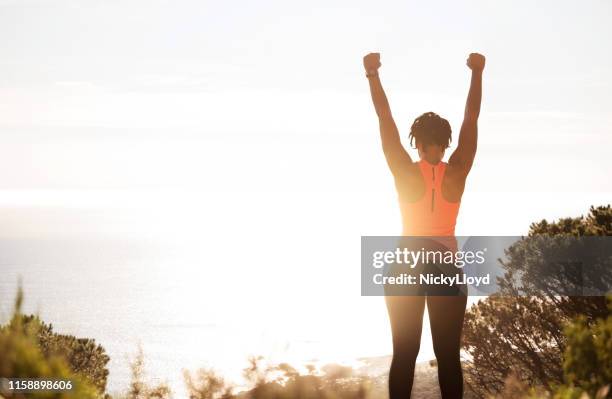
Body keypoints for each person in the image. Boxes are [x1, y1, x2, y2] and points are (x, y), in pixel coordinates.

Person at [363, 51, 485, 399]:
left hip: (406, 264)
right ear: (446, 143)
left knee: (404, 354)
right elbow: (471, 118)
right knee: (448, 357)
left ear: (415, 143)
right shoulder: (457, 170)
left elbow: (384, 119)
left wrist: (372, 74)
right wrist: (477, 72)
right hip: (445, 265)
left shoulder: (405, 171)